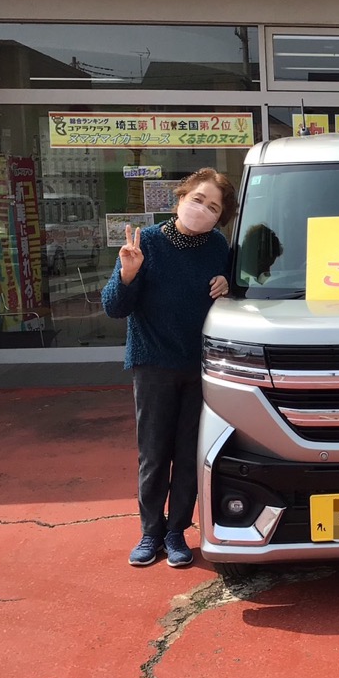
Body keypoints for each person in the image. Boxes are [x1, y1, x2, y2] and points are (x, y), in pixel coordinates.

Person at [102, 168, 237, 568]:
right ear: (180, 199)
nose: (202, 209)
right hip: (153, 364)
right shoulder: (146, 243)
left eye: (213, 207)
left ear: (220, 217)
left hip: (199, 367)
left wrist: (227, 285)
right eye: (197, 199)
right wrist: (127, 274)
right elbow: (114, 307)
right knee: (154, 453)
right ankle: (150, 533)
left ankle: (177, 531)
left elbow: (231, 297)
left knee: (189, 453)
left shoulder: (218, 246)